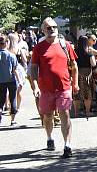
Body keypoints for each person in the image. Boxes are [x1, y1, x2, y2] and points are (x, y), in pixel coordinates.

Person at [30, 18, 79, 157]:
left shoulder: (66, 45)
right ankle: (49, 137)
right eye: (48, 28)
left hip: (64, 87)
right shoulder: (38, 48)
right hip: (45, 89)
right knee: (48, 116)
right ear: (43, 30)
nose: (52, 29)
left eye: (54, 27)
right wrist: (35, 86)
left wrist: (75, 83)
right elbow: (34, 68)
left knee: (65, 114)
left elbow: (74, 65)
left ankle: (67, 146)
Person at [75, 35, 97, 117]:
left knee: (76, 93)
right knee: (87, 93)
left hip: (77, 73)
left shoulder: (74, 51)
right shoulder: (89, 51)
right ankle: (87, 112)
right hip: (87, 73)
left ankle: (76, 112)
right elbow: (93, 63)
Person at [8, 32, 28, 116]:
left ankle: (10, 106)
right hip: (18, 69)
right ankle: (17, 107)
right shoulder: (19, 48)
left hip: (8, 69)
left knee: (9, 90)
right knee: (18, 90)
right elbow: (24, 60)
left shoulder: (6, 50)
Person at [0, 33, 19, 126]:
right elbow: (15, 70)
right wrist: (19, 81)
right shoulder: (12, 56)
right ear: (6, 43)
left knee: (1, 100)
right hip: (11, 80)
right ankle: (13, 120)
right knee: (13, 99)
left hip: (0, 81)